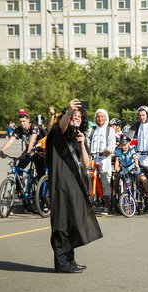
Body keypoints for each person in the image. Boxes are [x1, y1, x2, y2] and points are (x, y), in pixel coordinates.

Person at [45, 99, 103, 273]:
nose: (76, 117)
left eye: (79, 115)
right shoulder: (58, 132)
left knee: (73, 221)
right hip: (61, 185)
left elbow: (86, 163)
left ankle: (70, 260)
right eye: (73, 115)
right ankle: (62, 263)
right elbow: (61, 125)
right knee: (62, 222)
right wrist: (68, 111)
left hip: (75, 184)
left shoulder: (76, 136)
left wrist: (82, 144)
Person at [127, 106, 148, 209]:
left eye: (143, 115)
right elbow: (128, 135)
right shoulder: (136, 125)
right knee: (137, 176)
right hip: (139, 157)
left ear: (147, 115)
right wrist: (123, 143)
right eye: (140, 115)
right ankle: (138, 196)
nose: (141, 117)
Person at [0, 111, 46, 180]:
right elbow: (11, 140)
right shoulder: (19, 130)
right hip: (28, 151)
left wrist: (29, 152)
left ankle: (40, 189)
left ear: (28, 120)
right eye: (20, 121)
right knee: (18, 168)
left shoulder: (34, 128)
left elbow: (32, 141)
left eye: (24, 121)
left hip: (39, 151)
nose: (22, 123)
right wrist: (2, 151)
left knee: (40, 174)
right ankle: (18, 189)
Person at [87, 108, 116, 212]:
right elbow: (88, 142)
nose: (100, 118)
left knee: (104, 178)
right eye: (98, 116)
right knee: (90, 178)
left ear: (105, 117)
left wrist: (108, 150)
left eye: (102, 116)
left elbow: (112, 144)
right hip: (93, 158)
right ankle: (91, 200)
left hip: (104, 158)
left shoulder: (110, 130)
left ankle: (107, 203)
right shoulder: (92, 129)